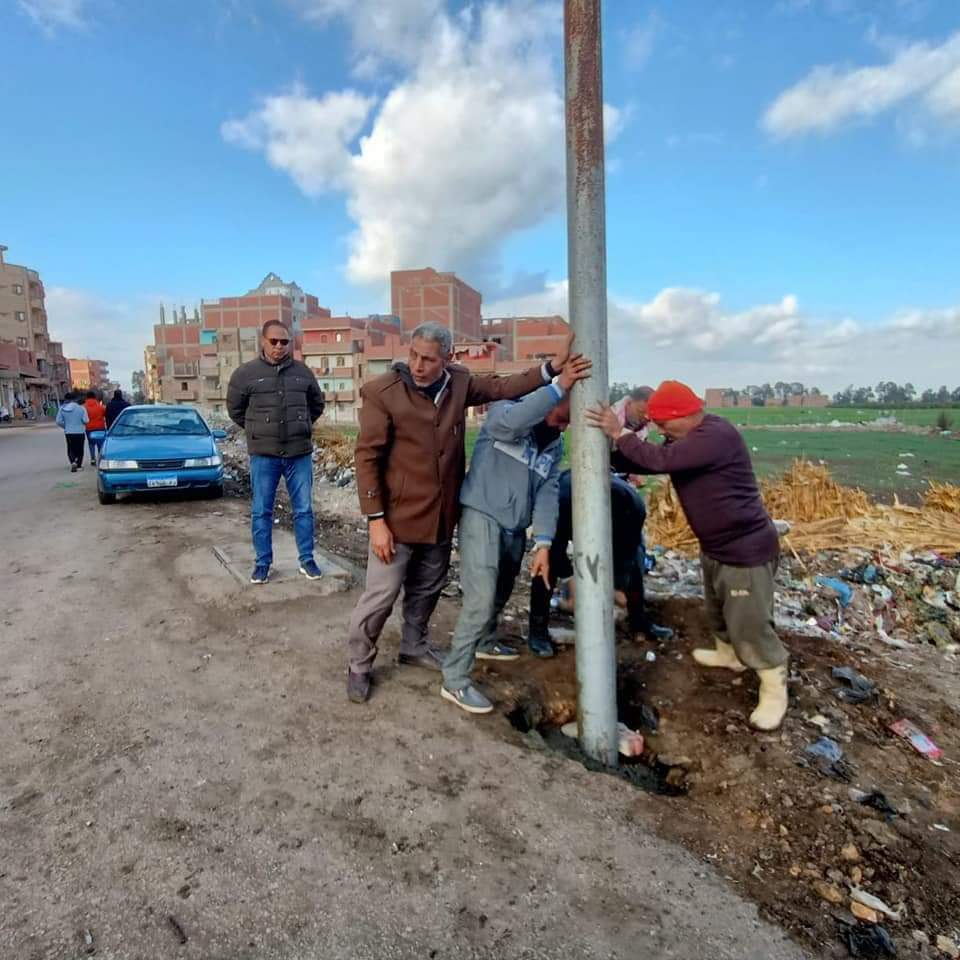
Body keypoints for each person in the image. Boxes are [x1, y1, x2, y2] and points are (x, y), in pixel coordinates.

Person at [347, 321, 580, 704]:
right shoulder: (384, 392)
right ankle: (358, 664)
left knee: (427, 590)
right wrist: (376, 521)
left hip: (441, 516)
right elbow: (367, 457)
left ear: (448, 358)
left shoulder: (458, 383)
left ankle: (413, 646)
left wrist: (552, 367)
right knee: (380, 596)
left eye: (428, 359)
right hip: (396, 519)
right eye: (414, 355)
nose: (418, 365)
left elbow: (504, 387)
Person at [585, 380, 788, 731]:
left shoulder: (715, 436)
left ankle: (774, 685)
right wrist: (612, 453)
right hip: (718, 547)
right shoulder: (689, 439)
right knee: (719, 609)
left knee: (749, 622)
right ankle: (728, 654)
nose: (661, 431)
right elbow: (653, 462)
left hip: (745, 549)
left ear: (685, 415)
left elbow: (661, 459)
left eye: (664, 424)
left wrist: (620, 433)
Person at [440, 356, 592, 714]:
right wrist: (559, 386)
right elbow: (511, 424)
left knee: (501, 592)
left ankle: (485, 641)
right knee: (480, 598)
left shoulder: (554, 445)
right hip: (481, 514)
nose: (567, 423)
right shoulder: (505, 411)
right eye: (567, 411)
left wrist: (544, 543)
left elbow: (547, 494)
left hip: (514, 526)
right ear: (556, 397)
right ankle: (455, 679)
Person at [526, 470, 673, 658]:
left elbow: (628, 558)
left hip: (612, 512)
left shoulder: (632, 509)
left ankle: (639, 622)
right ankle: (537, 631)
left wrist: (618, 586)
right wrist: (570, 578)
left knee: (633, 566)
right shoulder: (562, 504)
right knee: (547, 564)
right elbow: (556, 553)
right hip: (567, 504)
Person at [227, 320, 326, 584]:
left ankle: (307, 560)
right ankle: (262, 563)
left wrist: (301, 425)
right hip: (264, 455)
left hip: (298, 453)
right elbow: (235, 410)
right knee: (262, 510)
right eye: (274, 341)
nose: (279, 346)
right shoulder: (246, 374)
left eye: (284, 342)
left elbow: (317, 405)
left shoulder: (303, 373)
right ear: (263, 341)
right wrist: (258, 430)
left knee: (303, 509)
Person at [56, 391, 89, 471]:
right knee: (80, 449)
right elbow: (86, 420)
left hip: (69, 432)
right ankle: (79, 465)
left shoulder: (62, 409)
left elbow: (58, 421)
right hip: (80, 432)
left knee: (70, 448)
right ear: (75, 399)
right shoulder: (81, 408)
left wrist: (66, 426)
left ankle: (73, 462)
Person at [83, 390, 107, 464]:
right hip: (100, 427)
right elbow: (105, 414)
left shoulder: (84, 407)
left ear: (86, 397)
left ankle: (93, 459)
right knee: (100, 444)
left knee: (91, 443)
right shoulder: (100, 406)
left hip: (89, 428)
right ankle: (100, 458)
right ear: (95, 397)